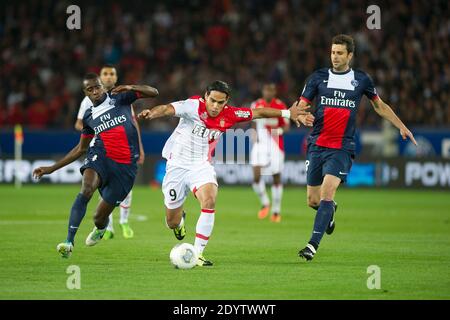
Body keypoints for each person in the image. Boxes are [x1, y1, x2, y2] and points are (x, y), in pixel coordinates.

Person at [138, 80, 308, 266]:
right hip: (176, 166)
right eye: (212, 100)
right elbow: (167, 109)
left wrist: (287, 113)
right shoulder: (193, 105)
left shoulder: (231, 114)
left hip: (200, 166)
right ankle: (180, 222)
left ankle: (198, 253)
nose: (215, 106)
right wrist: (151, 113)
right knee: (172, 221)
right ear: (205, 97)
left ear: (226, 101)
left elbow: (258, 113)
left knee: (209, 199)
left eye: (221, 102)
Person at [296, 34, 417, 261]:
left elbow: (379, 106)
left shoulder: (361, 80)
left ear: (350, 55)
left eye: (340, 53)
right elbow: (300, 107)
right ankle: (329, 212)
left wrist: (401, 126)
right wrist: (301, 117)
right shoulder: (318, 78)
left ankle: (312, 245)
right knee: (313, 200)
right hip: (317, 145)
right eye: (333, 52)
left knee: (327, 193)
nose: (335, 57)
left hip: (342, 147)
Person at [33, 74, 158, 258]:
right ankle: (68, 242)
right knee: (87, 188)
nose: (95, 91)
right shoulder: (89, 116)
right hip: (101, 156)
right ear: (85, 93)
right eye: (90, 90)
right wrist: (50, 169)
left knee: (99, 218)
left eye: (97, 87)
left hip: (125, 167)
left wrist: (130, 87)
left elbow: (154, 93)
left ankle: (101, 228)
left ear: (102, 86)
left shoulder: (120, 98)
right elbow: (81, 149)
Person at [74, 65, 144, 240]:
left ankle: (124, 222)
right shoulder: (88, 100)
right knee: (103, 190)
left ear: (116, 77)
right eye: (105, 74)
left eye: (111, 74)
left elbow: (132, 123)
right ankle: (108, 226)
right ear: (100, 78)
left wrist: (140, 147)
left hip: (124, 148)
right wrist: (101, 130)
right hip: (101, 150)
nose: (108, 77)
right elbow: (80, 124)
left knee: (122, 189)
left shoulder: (121, 97)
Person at [250, 83, 290, 223]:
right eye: (267, 89)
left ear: (275, 92)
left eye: (271, 90)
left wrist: (279, 131)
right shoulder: (256, 104)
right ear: (263, 90)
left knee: (276, 177)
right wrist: (254, 134)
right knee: (255, 176)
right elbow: (253, 122)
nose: (269, 92)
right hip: (260, 144)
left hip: (275, 144)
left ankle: (276, 210)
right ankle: (265, 203)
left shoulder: (280, 106)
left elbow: (286, 126)